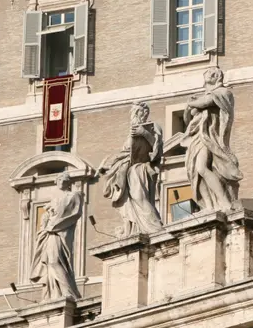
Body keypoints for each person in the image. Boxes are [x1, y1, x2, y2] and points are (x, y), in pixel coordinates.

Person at [99, 102, 164, 237]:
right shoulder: (131, 131)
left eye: (139, 111)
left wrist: (145, 133)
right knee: (131, 199)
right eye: (135, 112)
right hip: (129, 168)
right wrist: (109, 163)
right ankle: (137, 228)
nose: (137, 115)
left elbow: (157, 148)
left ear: (145, 113)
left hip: (142, 168)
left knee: (139, 197)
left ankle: (155, 227)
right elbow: (126, 152)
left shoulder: (153, 127)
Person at [181, 68, 243, 211]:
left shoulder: (223, 93)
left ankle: (224, 202)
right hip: (197, 137)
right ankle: (209, 206)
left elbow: (205, 102)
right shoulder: (203, 96)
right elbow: (187, 118)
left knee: (202, 168)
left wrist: (191, 103)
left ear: (217, 76)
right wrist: (189, 107)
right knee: (196, 173)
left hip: (209, 136)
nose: (209, 75)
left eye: (211, 73)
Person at [30, 172, 83, 301]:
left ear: (68, 182)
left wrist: (53, 220)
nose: (60, 182)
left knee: (55, 260)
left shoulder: (74, 195)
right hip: (50, 233)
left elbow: (72, 214)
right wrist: (47, 217)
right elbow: (48, 217)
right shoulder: (55, 199)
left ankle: (68, 292)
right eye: (58, 180)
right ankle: (54, 293)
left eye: (63, 180)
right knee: (49, 262)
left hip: (60, 232)